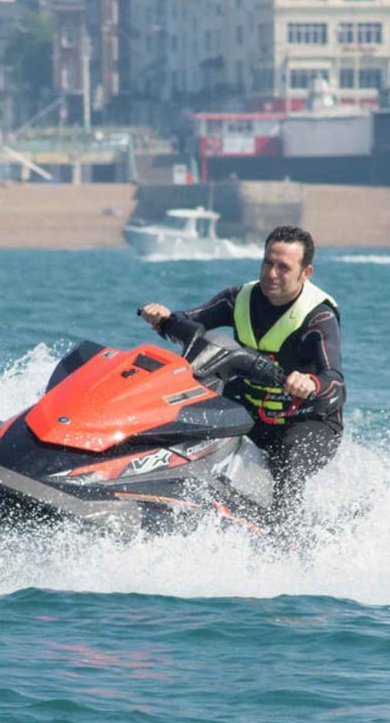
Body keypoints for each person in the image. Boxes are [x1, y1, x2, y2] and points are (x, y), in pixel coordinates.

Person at [140, 225, 344, 525]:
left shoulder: (319, 316)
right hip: (254, 414)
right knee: (187, 423)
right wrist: (163, 319)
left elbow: (335, 379)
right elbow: (191, 321)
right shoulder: (239, 299)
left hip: (309, 423)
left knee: (288, 460)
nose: (272, 273)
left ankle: (287, 540)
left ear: (306, 272)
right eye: (267, 263)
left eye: (283, 268)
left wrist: (309, 382)